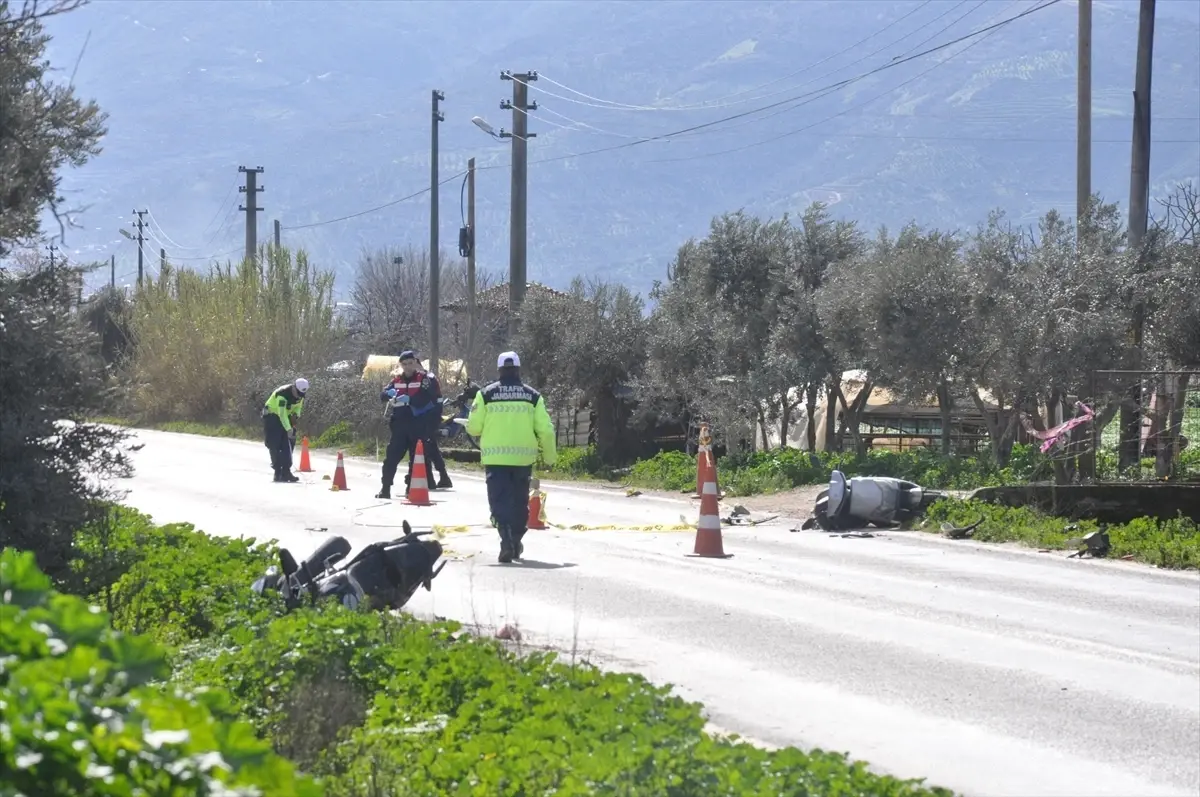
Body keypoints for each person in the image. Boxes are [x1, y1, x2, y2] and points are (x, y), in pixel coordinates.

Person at [466, 351, 557, 563]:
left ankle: (506, 540)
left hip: (495, 460)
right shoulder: (533, 396)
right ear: (518, 370)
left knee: (499, 502)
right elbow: (546, 431)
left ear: (499, 370)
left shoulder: (485, 394)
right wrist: (550, 458)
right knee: (519, 503)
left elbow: (474, 427)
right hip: (522, 460)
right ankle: (516, 540)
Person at [377, 350, 441, 499]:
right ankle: (385, 488)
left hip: (418, 424)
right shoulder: (396, 380)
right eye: (404, 364)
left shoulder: (424, 379)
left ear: (415, 363)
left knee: (416, 458)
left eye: (410, 363)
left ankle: (410, 488)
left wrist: (410, 400)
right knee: (391, 457)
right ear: (401, 365)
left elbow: (428, 398)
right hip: (399, 424)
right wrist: (388, 394)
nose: (407, 367)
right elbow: (383, 395)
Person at [262, 378, 309, 483]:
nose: (299, 397)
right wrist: (288, 429)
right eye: (298, 394)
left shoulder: (300, 395)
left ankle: (286, 472)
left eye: (302, 395)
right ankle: (277, 472)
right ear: (294, 388)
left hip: (286, 417)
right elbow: (281, 414)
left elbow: (298, 407)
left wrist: (295, 415)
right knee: (275, 444)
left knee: (288, 444)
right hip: (273, 416)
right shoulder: (282, 395)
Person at [421, 369, 453, 490]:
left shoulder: (425, 378)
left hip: (428, 418)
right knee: (431, 447)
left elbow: (430, 398)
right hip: (430, 416)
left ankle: (430, 479)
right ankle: (441, 477)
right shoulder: (428, 376)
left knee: (426, 447)